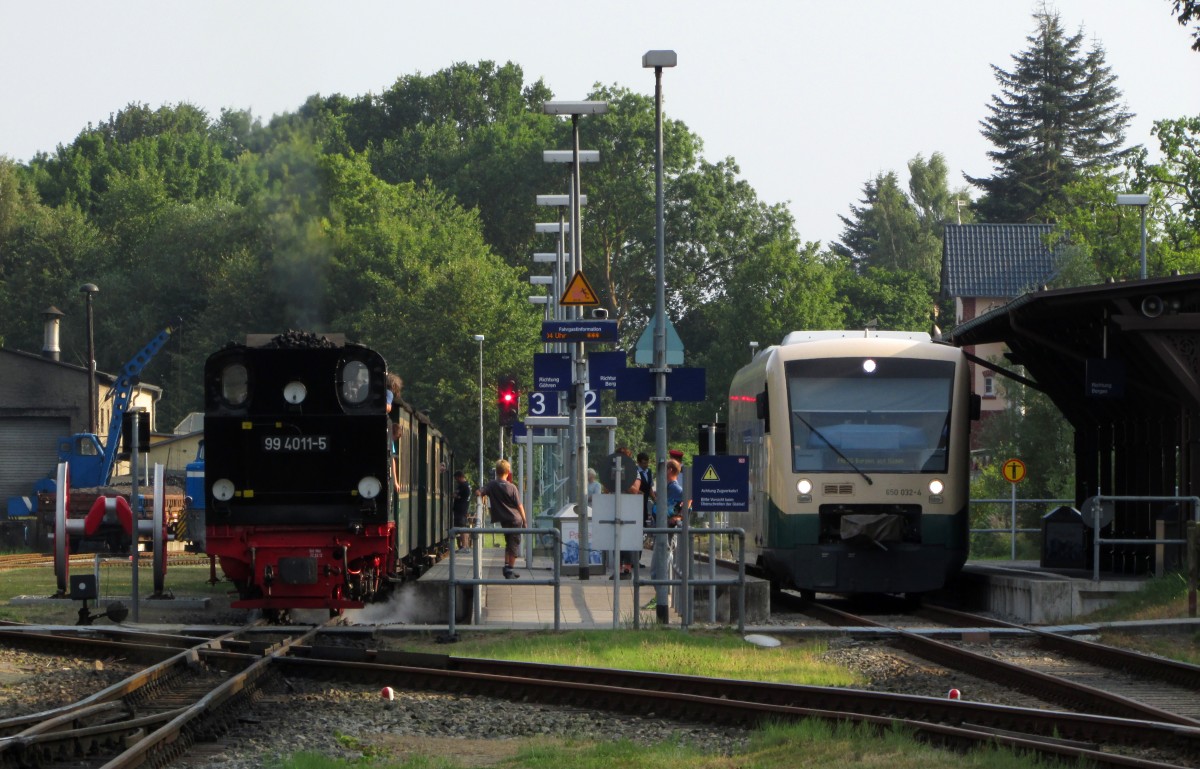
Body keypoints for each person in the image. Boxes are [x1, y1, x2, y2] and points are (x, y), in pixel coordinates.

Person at [476, 459, 527, 579]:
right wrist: (525, 521)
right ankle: (509, 570)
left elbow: (479, 491)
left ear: (497, 471)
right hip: (515, 520)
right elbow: (519, 506)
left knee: (508, 543)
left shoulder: (492, 485)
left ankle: (506, 566)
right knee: (514, 544)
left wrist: (480, 495)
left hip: (504, 520)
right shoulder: (512, 487)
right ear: (508, 472)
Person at [452, 470, 472, 552]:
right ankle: (466, 546)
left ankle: (464, 546)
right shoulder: (467, 485)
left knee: (462, 528)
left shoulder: (463, 486)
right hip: (463, 508)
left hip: (461, 509)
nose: (456, 480)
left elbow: (456, 495)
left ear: (460, 477)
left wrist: (455, 496)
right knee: (463, 527)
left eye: (456, 478)